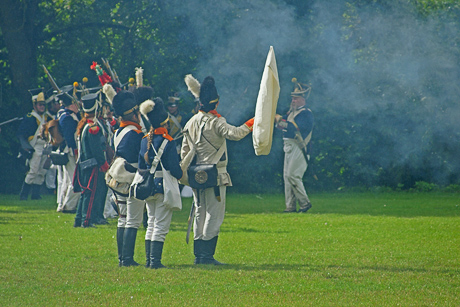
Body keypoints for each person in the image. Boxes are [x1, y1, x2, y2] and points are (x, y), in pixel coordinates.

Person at [181, 76, 254, 265]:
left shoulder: (190, 122)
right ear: (216, 102)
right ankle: (206, 256)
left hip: (196, 175)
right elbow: (236, 134)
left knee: (200, 212)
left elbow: (185, 152)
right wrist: (253, 122)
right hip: (215, 174)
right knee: (214, 214)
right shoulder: (217, 122)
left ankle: (199, 256)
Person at [139, 97, 183, 269]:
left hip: (148, 186)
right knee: (161, 225)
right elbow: (175, 169)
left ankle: (150, 261)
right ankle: (155, 262)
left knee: (151, 222)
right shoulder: (168, 142)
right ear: (164, 123)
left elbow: (141, 166)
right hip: (163, 186)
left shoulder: (144, 140)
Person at [110, 90, 145, 267]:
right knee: (132, 220)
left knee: (123, 218)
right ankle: (128, 259)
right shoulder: (135, 134)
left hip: (118, 179)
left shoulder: (118, 132)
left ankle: (122, 258)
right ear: (133, 113)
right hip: (131, 177)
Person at [274, 78, 314, 213]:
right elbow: (283, 126)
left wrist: (280, 120)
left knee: (293, 175)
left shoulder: (306, 113)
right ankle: (290, 207)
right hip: (289, 146)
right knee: (287, 177)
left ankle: (304, 203)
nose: (293, 101)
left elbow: (294, 129)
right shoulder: (291, 112)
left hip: (299, 147)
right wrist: (278, 121)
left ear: (303, 100)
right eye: (293, 98)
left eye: (296, 98)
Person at [73, 93, 110, 228]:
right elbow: (96, 150)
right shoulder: (92, 127)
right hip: (92, 164)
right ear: (96, 109)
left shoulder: (85, 125)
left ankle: (78, 219)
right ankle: (86, 221)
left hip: (84, 164)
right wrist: (103, 164)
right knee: (90, 193)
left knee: (85, 193)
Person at [17, 89, 52, 200]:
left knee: (42, 170)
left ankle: (35, 194)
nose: (42, 107)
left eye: (43, 105)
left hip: (45, 146)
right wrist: (26, 147)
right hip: (35, 146)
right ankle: (24, 194)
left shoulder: (48, 117)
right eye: (40, 105)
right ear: (35, 105)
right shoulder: (29, 118)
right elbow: (21, 134)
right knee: (33, 170)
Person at [56, 85, 81, 213]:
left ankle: (62, 204)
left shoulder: (67, 115)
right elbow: (70, 138)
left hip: (70, 150)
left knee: (67, 180)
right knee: (74, 180)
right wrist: (76, 151)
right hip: (70, 151)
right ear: (71, 104)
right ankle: (69, 206)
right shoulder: (67, 117)